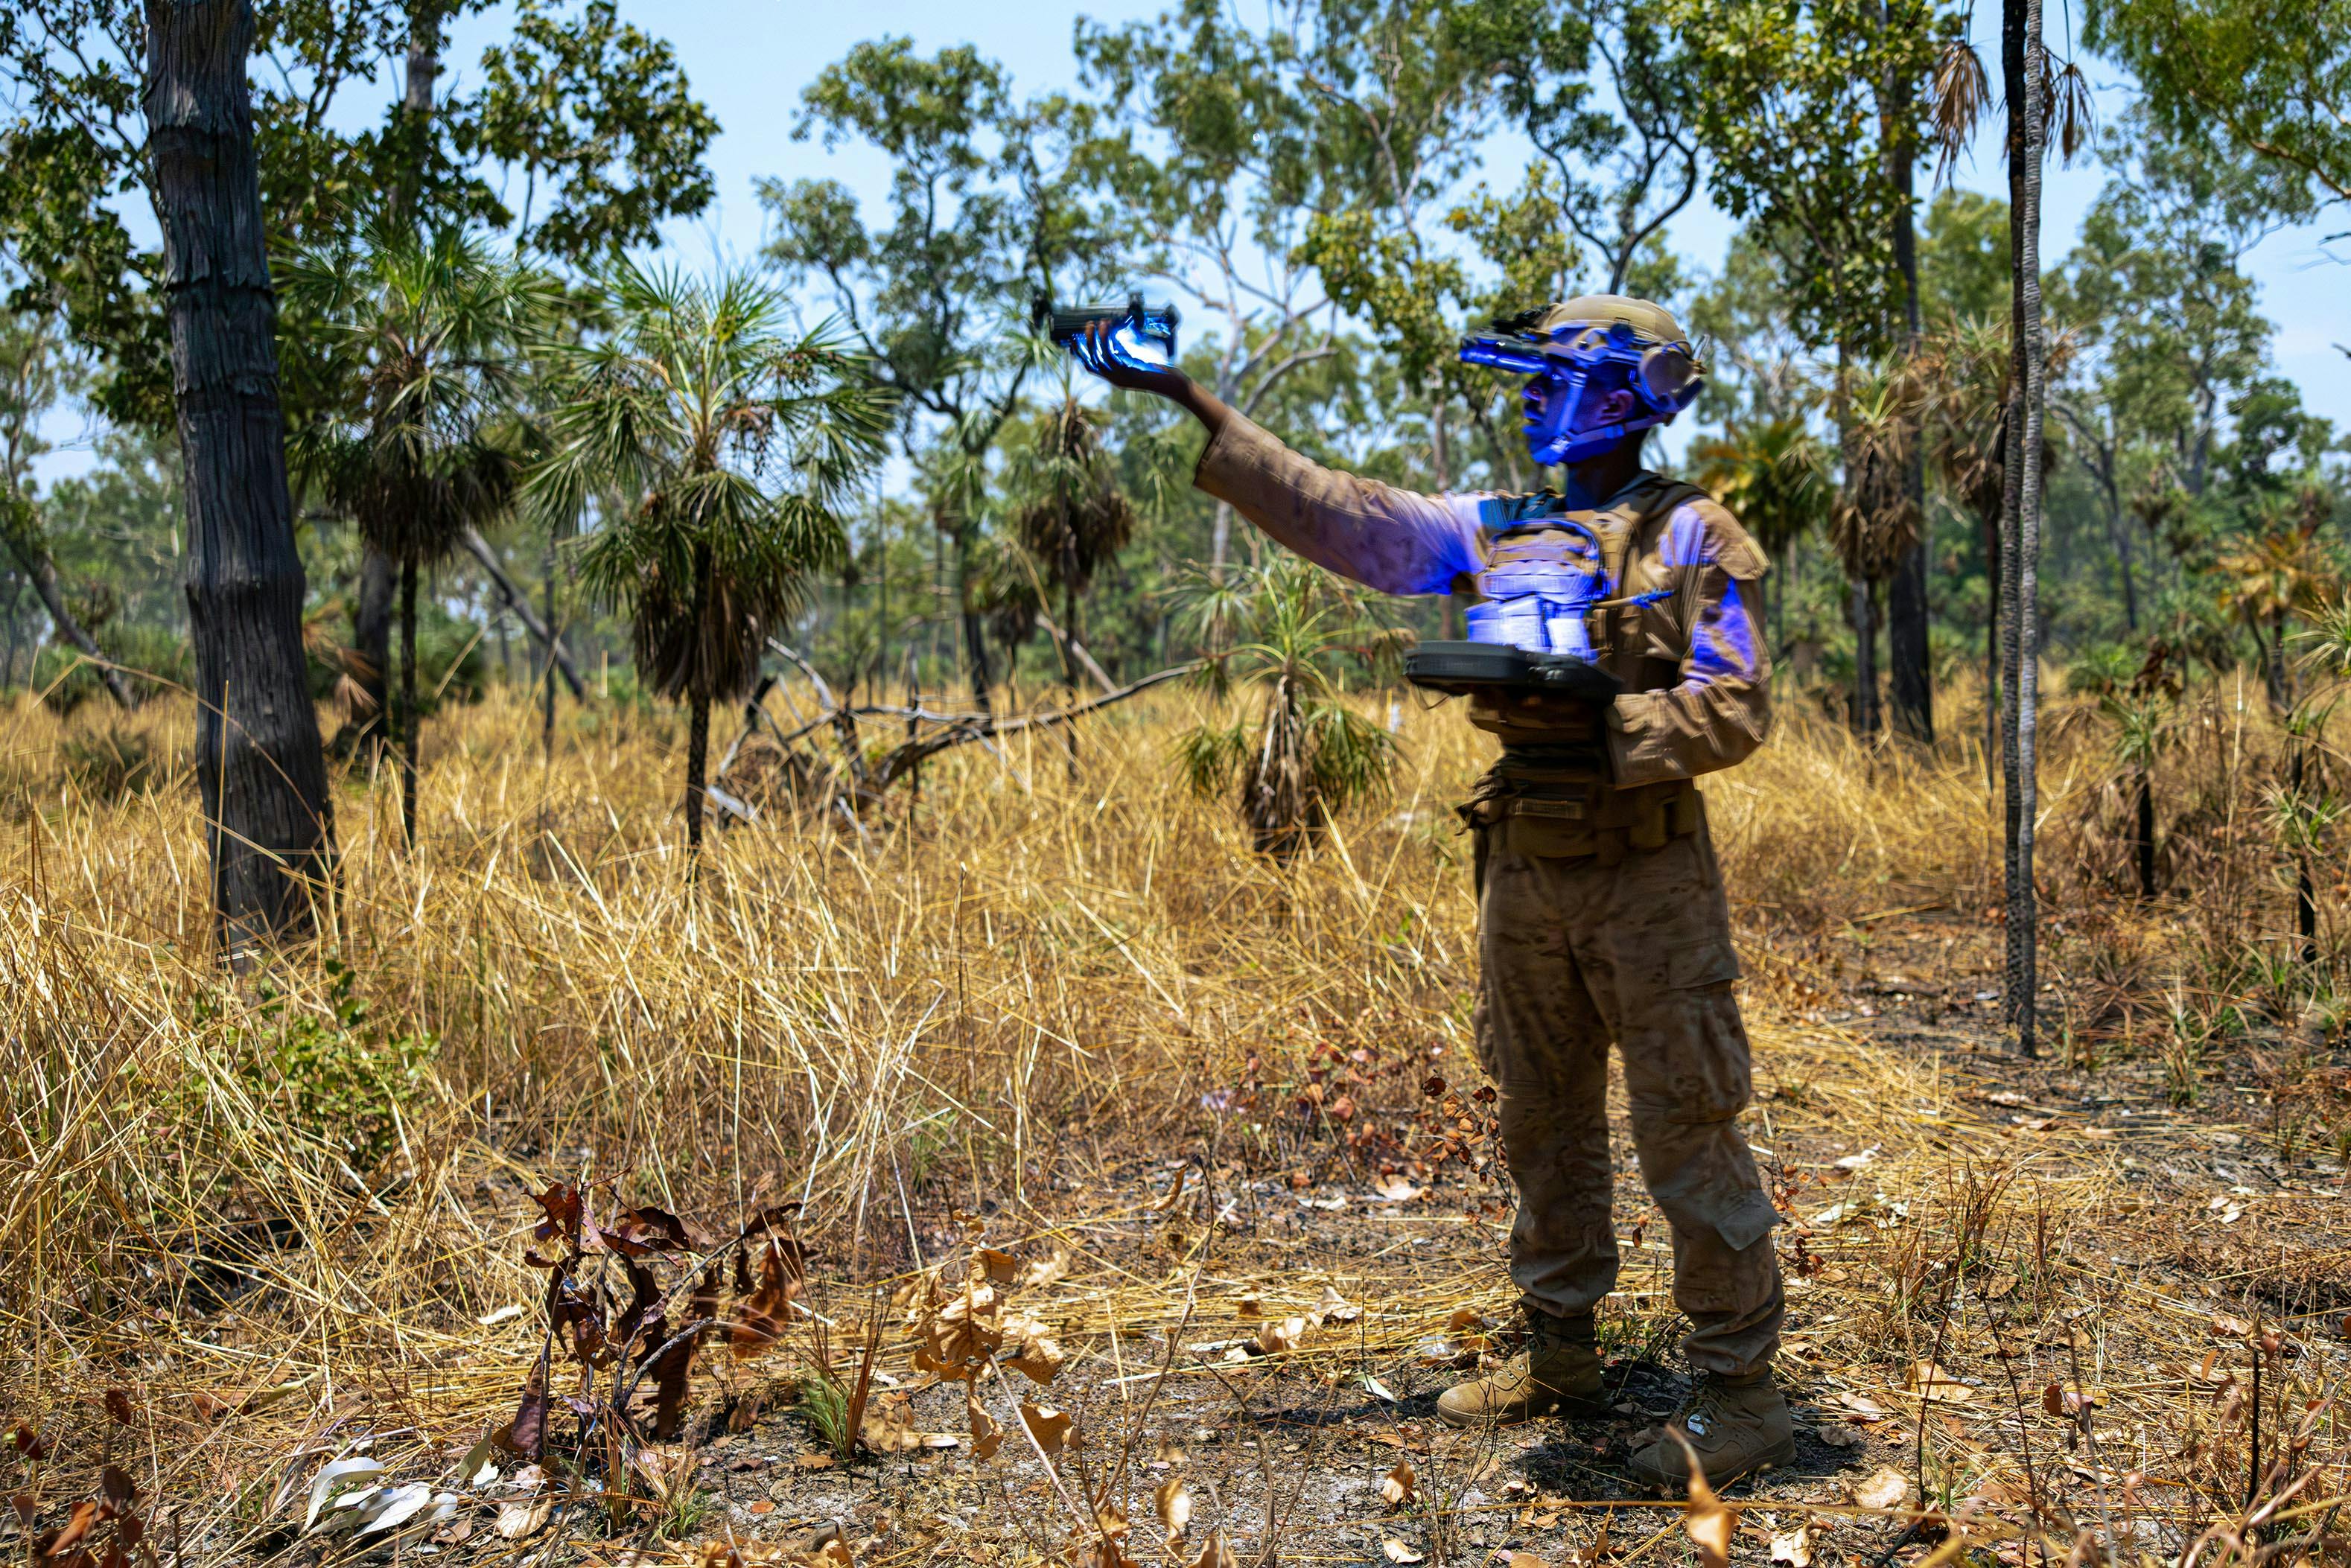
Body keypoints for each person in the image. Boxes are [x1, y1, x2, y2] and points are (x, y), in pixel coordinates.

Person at [1072, 296, 1790, 1493]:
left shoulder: (1688, 535)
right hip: (1521, 866)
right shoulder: (1496, 526)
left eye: (1546, 380)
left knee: (1686, 1122)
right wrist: (1188, 399)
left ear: (1620, 395)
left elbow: (1735, 704)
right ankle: (1560, 1350)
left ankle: (1741, 1393)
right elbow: (1351, 519)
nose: (1522, 400)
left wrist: (1593, 712)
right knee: (1539, 1115)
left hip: (1648, 873)